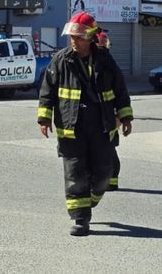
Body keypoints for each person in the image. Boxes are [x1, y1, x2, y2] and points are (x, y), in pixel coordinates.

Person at [37, 12, 133, 236]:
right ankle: (80, 220)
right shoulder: (60, 60)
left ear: (90, 37)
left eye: (78, 37)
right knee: (75, 174)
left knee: (104, 173)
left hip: (101, 126)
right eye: (71, 37)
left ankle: (89, 201)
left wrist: (126, 116)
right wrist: (44, 118)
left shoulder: (105, 60)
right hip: (71, 128)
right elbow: (47, 90)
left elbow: (120, 89)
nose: (74, 41)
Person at [95, 30, 120, 191]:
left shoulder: (108, 63)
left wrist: (119, 115)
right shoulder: (94, 60)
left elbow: (119, 91)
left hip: (108, 114)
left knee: (108, 148)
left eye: (103, 43)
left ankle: (111, 180)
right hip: (98, 114)